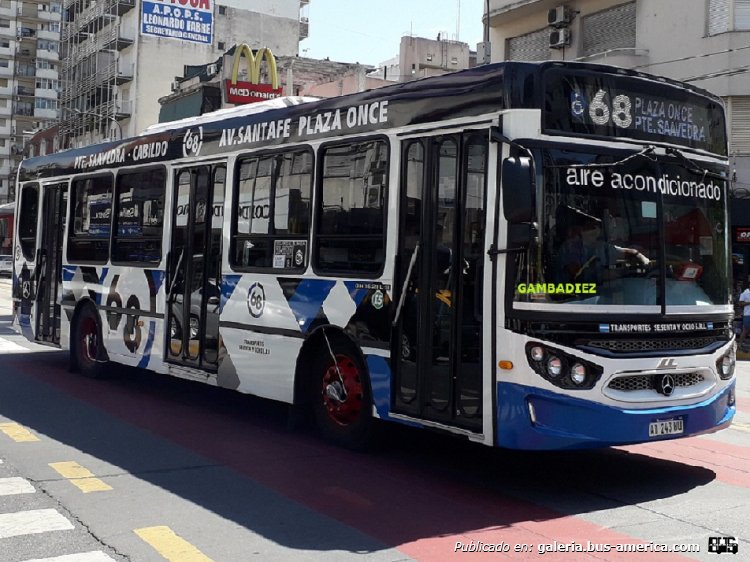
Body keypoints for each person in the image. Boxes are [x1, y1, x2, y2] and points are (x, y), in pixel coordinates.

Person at [738, 284, 750, 350]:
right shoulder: (744, 294)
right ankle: (740, 343)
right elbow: (740, 304)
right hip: (747, 314)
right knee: (746, 329)